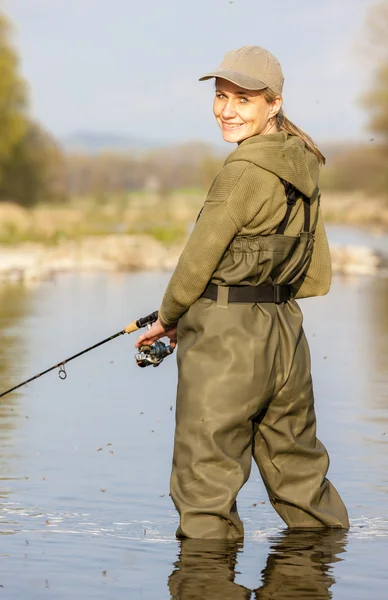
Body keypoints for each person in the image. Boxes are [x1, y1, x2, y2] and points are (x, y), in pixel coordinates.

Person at [135, 45, 349, 539]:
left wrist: (167, 317)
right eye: (220, 96)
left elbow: (197, 262)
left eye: (243, 100)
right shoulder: (303, 163)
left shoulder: (243, 171)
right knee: (302, 480)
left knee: (204, 488)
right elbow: (312, 266)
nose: (226, 110)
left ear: (273, 103)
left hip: (228, 340)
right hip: (287, 337)